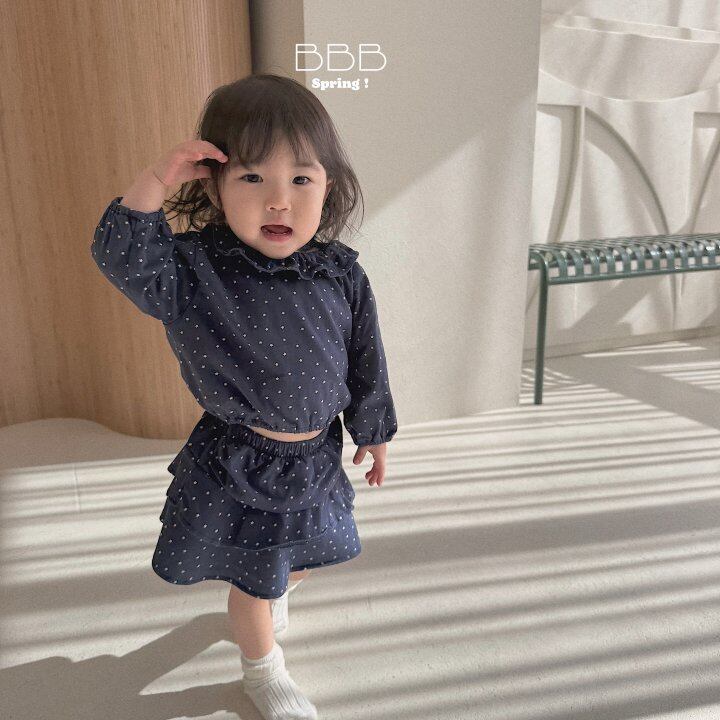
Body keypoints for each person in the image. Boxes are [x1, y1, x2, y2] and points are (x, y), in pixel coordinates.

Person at [90, 73, 398, 720]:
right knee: (255, 586)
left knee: (300, 560)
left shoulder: (339, 271)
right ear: (214, 187)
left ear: (328, 187)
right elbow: (121, 255)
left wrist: (373, 432)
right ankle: (264, 671)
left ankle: (273, 591)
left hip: (316, 457)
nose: (278, 201)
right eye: (253, 178)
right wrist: (156, 178)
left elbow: (366, 358)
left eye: (301, 179)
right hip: (243, 464)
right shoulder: (195, 270)